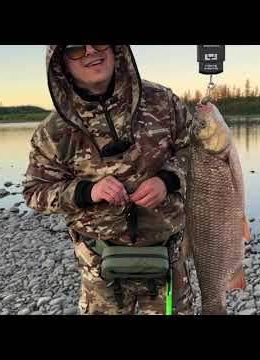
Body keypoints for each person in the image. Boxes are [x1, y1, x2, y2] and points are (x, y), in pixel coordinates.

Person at [23, 45, 195, 315]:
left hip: (167, 257)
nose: (91, 51)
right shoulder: (53, 131)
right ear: (61, 63)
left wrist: (168, 179)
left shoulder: (163, 102)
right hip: (100, 266)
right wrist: (87, 192)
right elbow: (34, 192)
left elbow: (196, 150)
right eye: (76, 48)